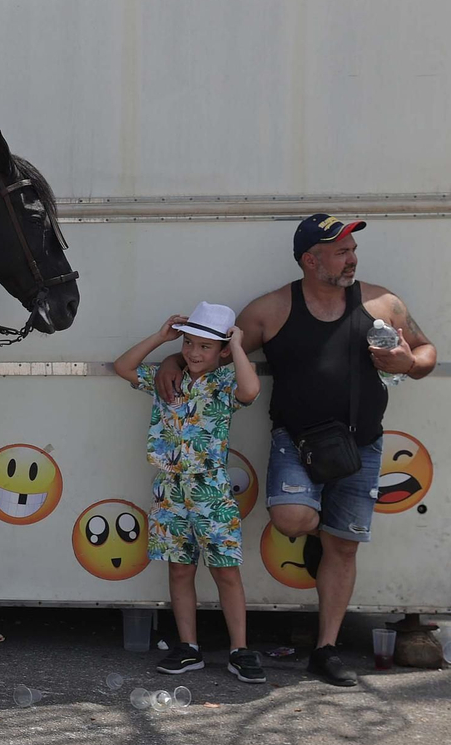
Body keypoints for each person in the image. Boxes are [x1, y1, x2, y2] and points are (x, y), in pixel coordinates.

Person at [157, 215, 437, 685]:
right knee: (292, 519)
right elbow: (215, 349)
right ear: (311, 260)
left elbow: (427, 353)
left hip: (362, 444)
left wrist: (408, 362)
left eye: (352, 249)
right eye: (341, 251)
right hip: (297, 442)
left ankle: (325, 650)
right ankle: (315, 527)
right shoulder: (270, 309)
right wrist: (171, 356)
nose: (352, 258)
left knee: (343, 547)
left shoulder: (381, 302)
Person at [116, 302, 265, 683]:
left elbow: (251, 390)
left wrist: (238, 347)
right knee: (179, 570)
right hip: (170, 489)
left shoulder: (227, 382)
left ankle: (239, 649)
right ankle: (188, 648)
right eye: (189, 344)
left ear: (222, 350)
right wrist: (161, 338)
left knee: (225, 571)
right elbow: (124, 367)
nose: (194, 353)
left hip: (210, 488)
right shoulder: (167, 379)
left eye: (205, 347)